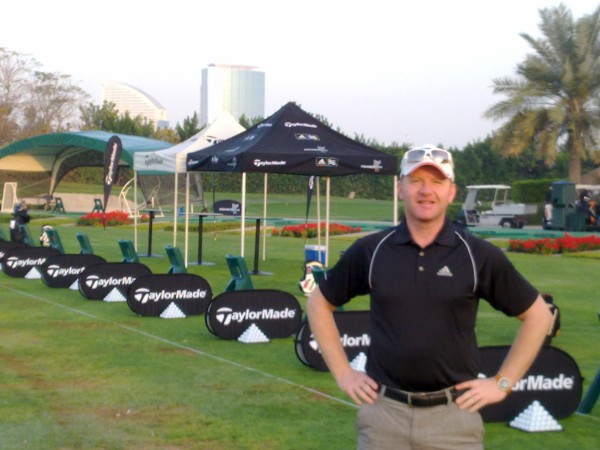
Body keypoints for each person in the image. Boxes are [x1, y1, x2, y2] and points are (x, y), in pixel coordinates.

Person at [306, 144, 553, 450]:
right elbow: (319, 303)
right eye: (416, 181)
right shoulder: (371, 251)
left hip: (454, 419)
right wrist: (343, 373)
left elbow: (538, 315)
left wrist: (502, 382)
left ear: (451, 192)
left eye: (437, 181)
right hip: (384, 417)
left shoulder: (477, 255)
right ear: (400, 189)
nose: (426, 191)